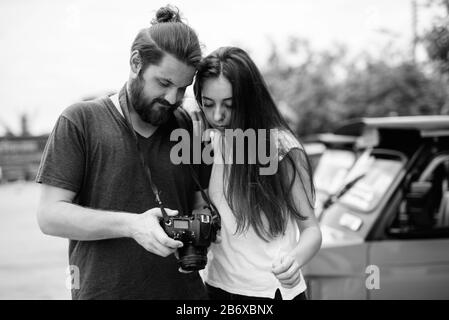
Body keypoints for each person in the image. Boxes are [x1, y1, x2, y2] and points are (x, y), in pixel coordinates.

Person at [35, 6, 212, 300]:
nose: (173, 99)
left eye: (182, 89)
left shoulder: (189, 127)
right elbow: (49, 215)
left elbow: (199, 205)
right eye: (164, 83)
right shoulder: (80, 120)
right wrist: (132, 226)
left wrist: (204, 224)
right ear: (135, 63)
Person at [193, 47, 322, 300]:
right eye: (208, 104)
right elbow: (202, 206)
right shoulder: (206, 144)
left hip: (270, 291)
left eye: (229, 105)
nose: (218, 115)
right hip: (217, 287)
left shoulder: (281, 147)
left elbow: (312, 231)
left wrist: (294, 261)